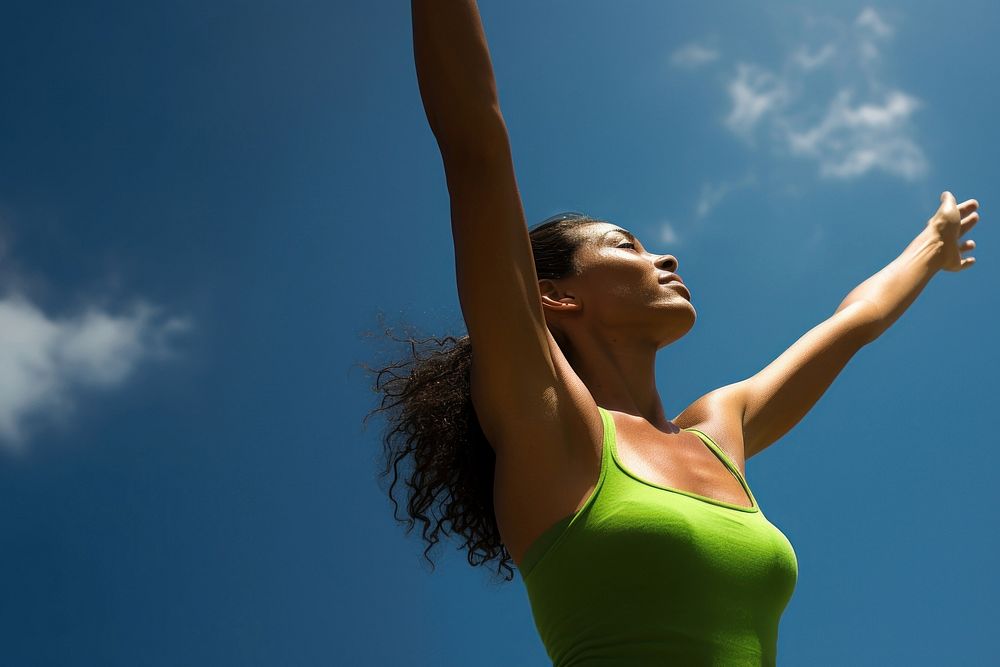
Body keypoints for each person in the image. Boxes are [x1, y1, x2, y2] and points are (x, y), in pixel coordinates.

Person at [365, 1, 982, 664]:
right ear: (554, 295)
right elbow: (476, 150)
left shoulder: (720, 429)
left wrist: (932, 244)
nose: (665, 258)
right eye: (625, 245)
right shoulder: (550, 422)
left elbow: (852, 323)